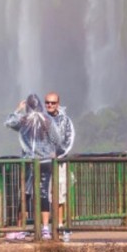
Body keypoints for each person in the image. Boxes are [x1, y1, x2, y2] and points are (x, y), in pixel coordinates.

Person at [4, 94, 63, 240]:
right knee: (43, 194)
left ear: (28, 106)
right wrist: (50, 149)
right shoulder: (47, 121)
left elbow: (8, 122)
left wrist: (18, 109)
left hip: (29, 162)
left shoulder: (24, 121)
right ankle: (45, 229)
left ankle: (22, 229)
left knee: (25, 194)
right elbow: (58, 139)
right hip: (45, 162)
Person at [45, 92, 75, 242]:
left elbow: (69, 140)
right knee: (46, 195)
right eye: (47, 102)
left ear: (58, 103)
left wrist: (57, 153)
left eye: (53, 102)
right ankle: (48, 228)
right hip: (44, 163)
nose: (50, 105)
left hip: (60, 162)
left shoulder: (66, 121)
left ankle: (61, 226)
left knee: (60, 195)